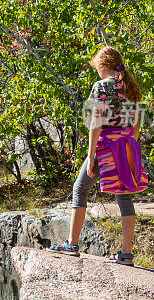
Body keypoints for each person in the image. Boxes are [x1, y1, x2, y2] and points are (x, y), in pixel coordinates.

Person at [48, 46, 148, 266]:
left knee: (80, 188)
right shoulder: (130, 86)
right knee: (124, 196)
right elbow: (137, 122)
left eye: (98, 67)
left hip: (106, 146)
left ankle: (72, 244)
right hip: (126, 145)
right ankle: (126, 254)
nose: (97, 72)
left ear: (103, 66)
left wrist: (91, 154)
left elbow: (96, 123)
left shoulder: (101, 86)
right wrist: (131, 144)